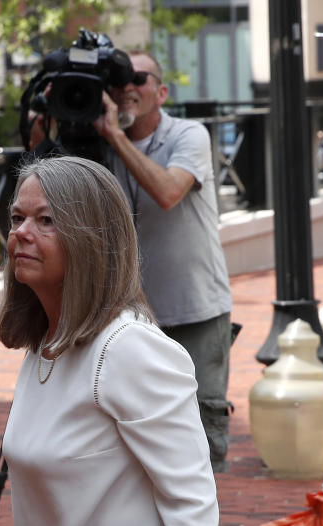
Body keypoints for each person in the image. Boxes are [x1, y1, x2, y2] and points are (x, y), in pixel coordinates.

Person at [0, 156, 228, 526]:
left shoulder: (127, 347)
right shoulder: (47, 344)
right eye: (17, 218)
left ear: (91, 237)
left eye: (47, 220)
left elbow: (192, 502)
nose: (22, 233)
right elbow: (47, 513)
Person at [92, 50, 235, 473]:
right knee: (136, 443)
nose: (127, 87)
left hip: (195, 311)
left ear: (162, 91)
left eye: (138, 77)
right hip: (128, 322)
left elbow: (169, 192)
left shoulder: (188, 134)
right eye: (117, 80)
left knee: (201, 444)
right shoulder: (97, 144)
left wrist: (116, 138)